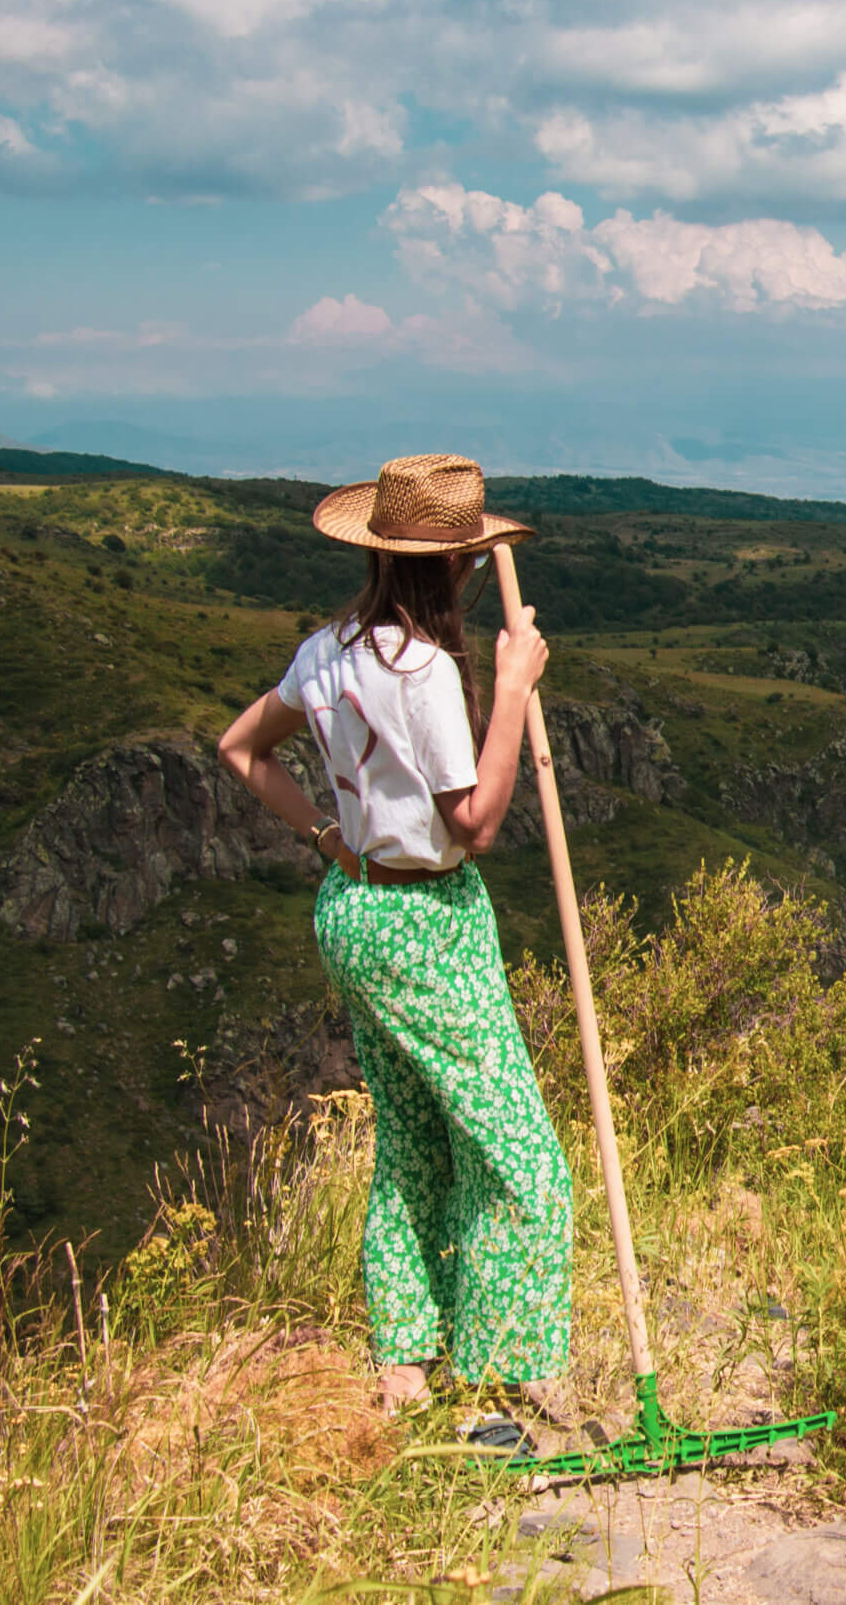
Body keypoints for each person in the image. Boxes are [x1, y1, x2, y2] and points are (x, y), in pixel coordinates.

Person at [217, 454, 572, 1418]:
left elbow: (238, 749)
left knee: (413, 1136)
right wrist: (511, 686)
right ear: (455, 567)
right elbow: (478, 824)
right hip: (424, 918)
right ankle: (507, 1366)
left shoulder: (327, 649)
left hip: (354, 906)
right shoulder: (422, 673)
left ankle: (404, 1369)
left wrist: (327, 837)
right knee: (518, 1152)